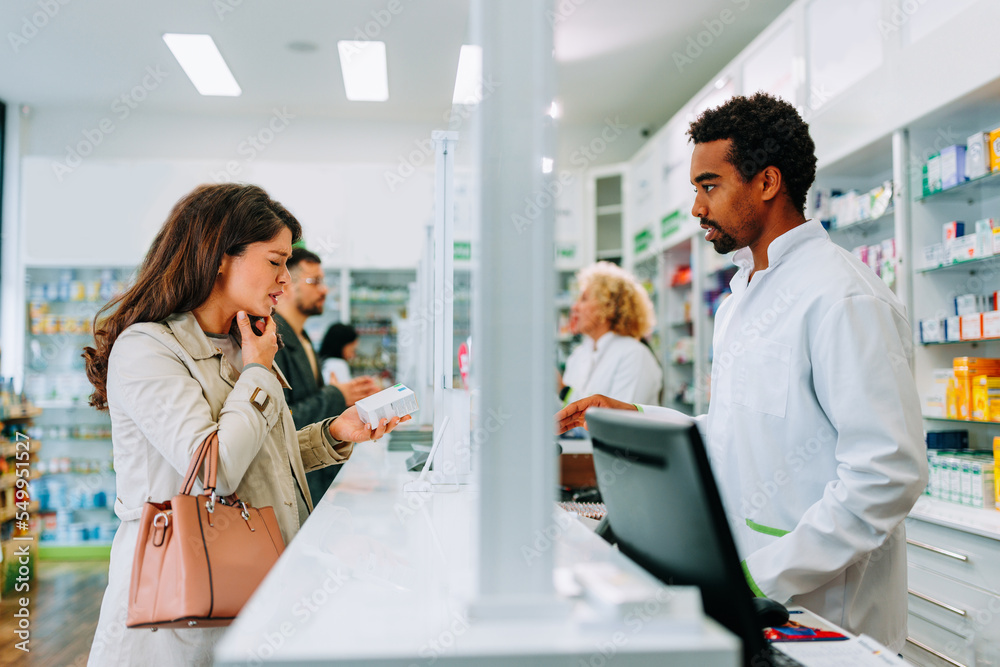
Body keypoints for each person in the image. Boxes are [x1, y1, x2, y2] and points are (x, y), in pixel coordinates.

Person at [556, 93, 927, 652]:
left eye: (709, 186)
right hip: (751, 605)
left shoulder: (844, 297)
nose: (696, 209)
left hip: (826, 616)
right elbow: (737, 432)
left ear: (768, 183)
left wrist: (761, 574)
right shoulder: (741, 296)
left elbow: (886, 474)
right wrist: (638, 416)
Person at [82, 184, 408, 666]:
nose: (286, 280)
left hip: (257, 594)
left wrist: (333, 433)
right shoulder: (148, 348)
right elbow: (215, 467)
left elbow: (261, 455)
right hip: (178, 610)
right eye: (275, 262)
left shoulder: (245, 342)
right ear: (219, 257)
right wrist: (257, 372)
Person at [273, 248, 380, 504]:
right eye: (315, 282)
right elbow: (281, 423)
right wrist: (336, 395)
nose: (324, 291)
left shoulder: (303, 338)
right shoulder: (273, 342)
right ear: (286, 284)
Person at [560, 261, 662, 406]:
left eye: (584, 299)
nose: (575, 307)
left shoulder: (634, 355)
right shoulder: (578, 356)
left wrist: (563, 391)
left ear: (608, 305)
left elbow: (619, 421)